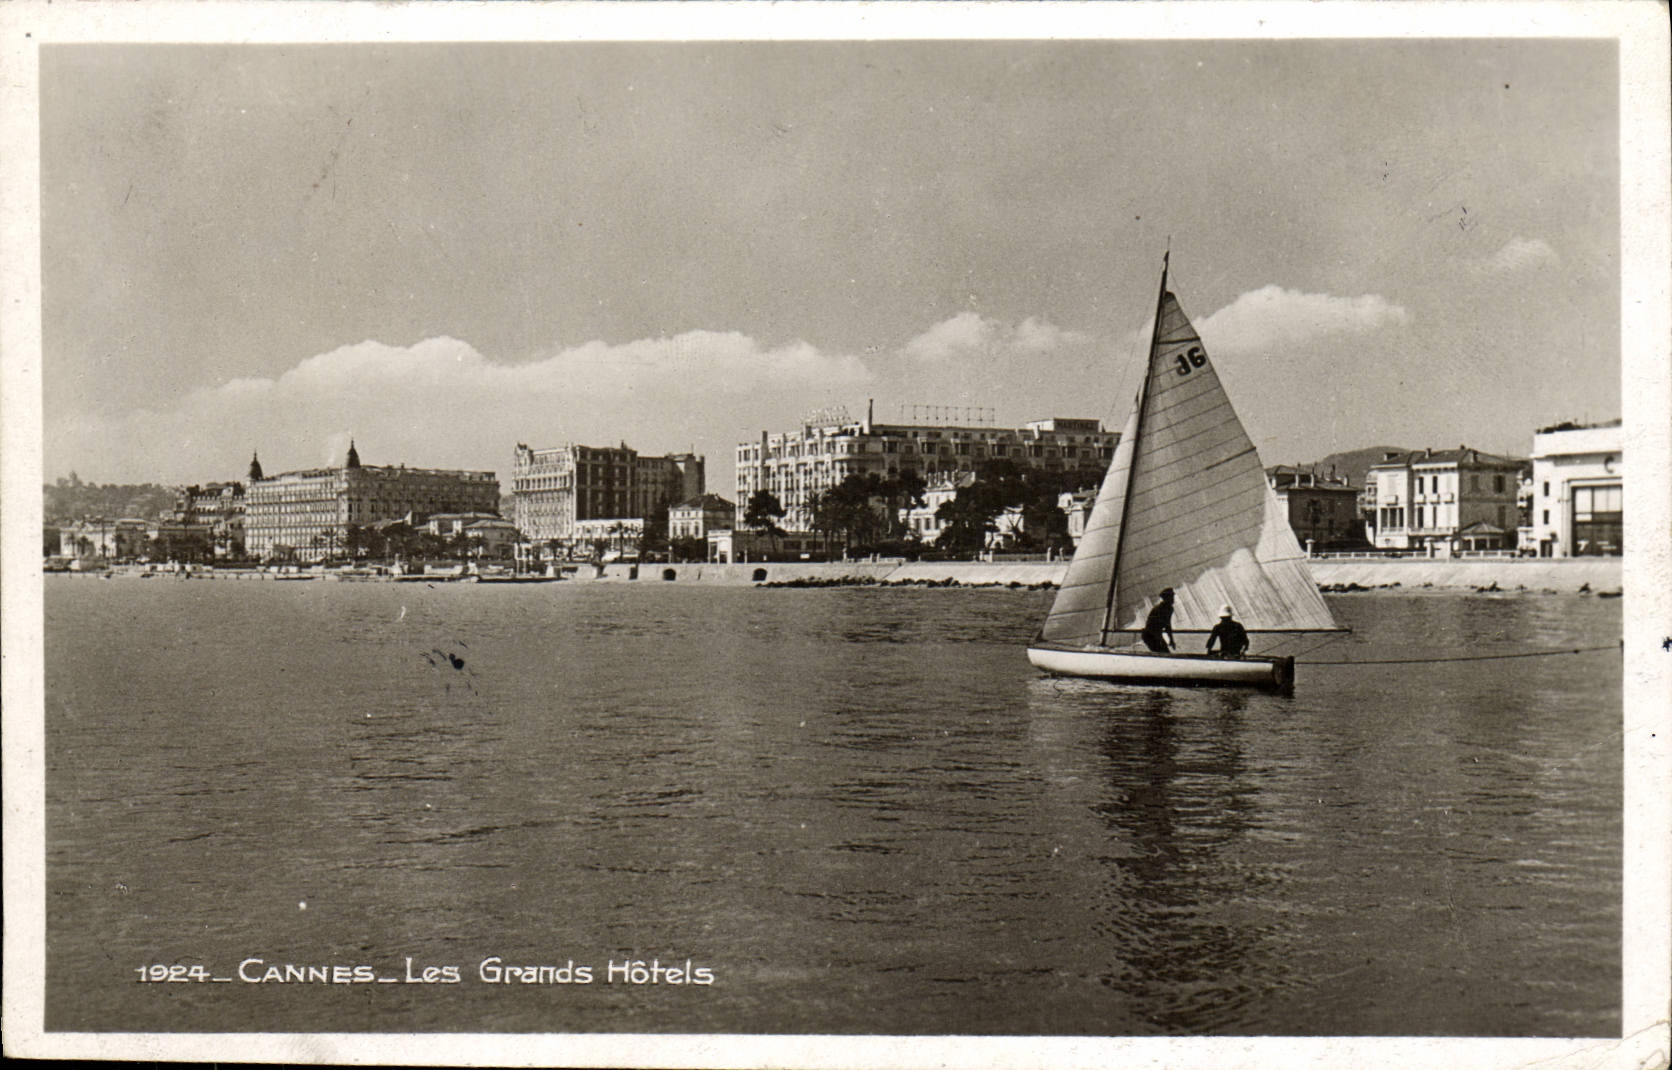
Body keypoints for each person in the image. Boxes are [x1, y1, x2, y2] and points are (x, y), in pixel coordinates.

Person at [1141, 588, 1176, 653]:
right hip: (1150, 635)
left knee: (1165, 653)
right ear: (1166, 598)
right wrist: (1166, 640)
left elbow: (1168, 625)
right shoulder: (1161, 609)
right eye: (1171, 597)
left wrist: (1171, 640)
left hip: (1154, 635)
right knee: (1164, 654)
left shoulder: (1169, 608)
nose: (1173, 599)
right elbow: (1153, 626)